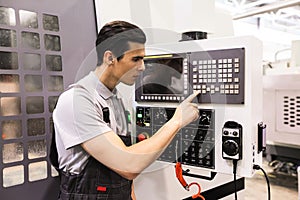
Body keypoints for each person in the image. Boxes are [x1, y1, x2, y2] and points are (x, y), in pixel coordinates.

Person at [53, 20, 200, 200]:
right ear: (110, 58)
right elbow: (128, 165)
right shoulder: (76, 101)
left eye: (143, 59)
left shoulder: (117, 100)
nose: (143, 67)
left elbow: (122, 175)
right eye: (136, 59)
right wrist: (176, 122)